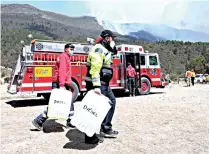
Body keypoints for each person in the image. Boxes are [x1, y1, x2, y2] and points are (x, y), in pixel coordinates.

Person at [85, 30, 118, 144]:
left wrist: (113, 48)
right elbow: (95, 68)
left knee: (111, 102)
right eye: (112, 38)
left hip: (104, 83)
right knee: (95, 108)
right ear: (107, 38)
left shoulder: (104, 49)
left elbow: (112, 53)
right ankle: (89, 136)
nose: (113, 40)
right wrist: (96, 86)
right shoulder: (98, 49)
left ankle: (106, 128)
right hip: (98, 84)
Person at [32, 43, 76, 130]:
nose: (73, 50)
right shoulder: (64, 57)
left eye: (73, 49)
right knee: (55, 104)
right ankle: (38, 120)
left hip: (63, 83)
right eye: (71, 49)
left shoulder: (67, 57)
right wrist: (62, 85)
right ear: (66, 49)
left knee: (69, 102)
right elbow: (62, 72)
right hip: (60, 83)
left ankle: (70, 122)